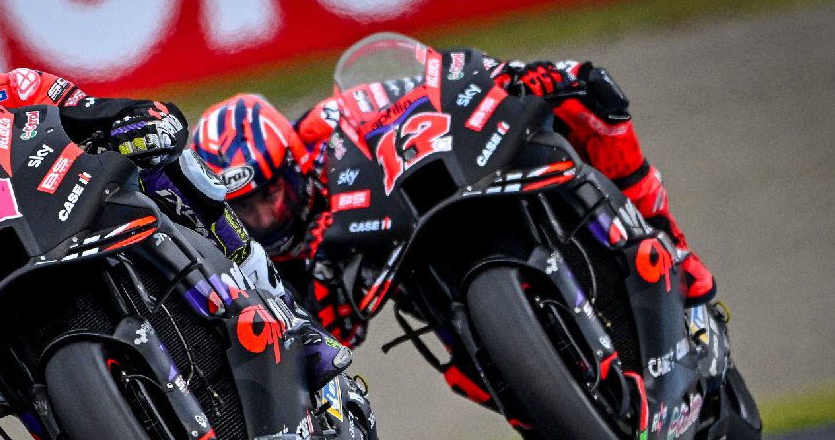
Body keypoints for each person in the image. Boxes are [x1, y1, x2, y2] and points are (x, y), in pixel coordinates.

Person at [0, 27, 350, 390]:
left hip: (61, 216)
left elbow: (97, 120)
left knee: (171, 166)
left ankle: (277, 307)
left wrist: (140, 122)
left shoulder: (17, 91)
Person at [191, 46, 716, 351]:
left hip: (438, 200)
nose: (264, 216)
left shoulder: (324, 127)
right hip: (421, 283)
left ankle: (672, 243)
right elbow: (330, 343)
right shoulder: (261, 264)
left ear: (293, 164)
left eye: (268, 194)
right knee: (464, 377)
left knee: (586, 97)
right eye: (244, 211)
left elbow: (425, 94)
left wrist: (506, 77)